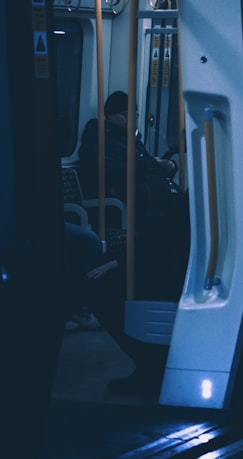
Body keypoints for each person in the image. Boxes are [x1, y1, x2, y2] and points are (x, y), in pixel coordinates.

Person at [77, 91, 188, 395]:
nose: (133, 120)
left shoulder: (131, 140)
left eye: (135, 115)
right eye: (129, 115)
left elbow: (143, 164)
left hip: (154, 222)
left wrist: (121, 261)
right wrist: (154, 167)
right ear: (115, 116)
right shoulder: (98, 137)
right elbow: (114, 169)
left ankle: (150, 364)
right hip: (132, 209)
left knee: (104, 285)